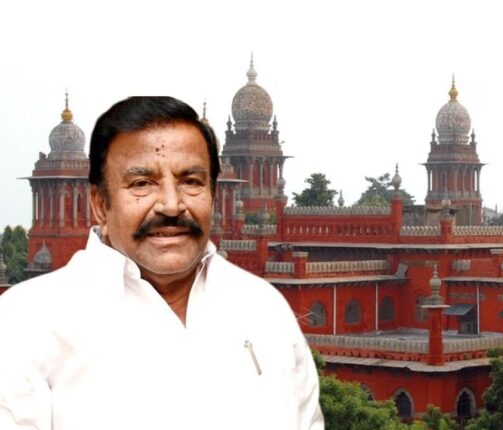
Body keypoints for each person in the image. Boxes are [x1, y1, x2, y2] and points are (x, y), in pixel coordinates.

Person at [0, 96, 324, 429]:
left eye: (191, 181)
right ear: (99, 203)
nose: (171, 205)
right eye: (142, 183)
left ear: (214, 194)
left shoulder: (265, 309)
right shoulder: (26, 323)